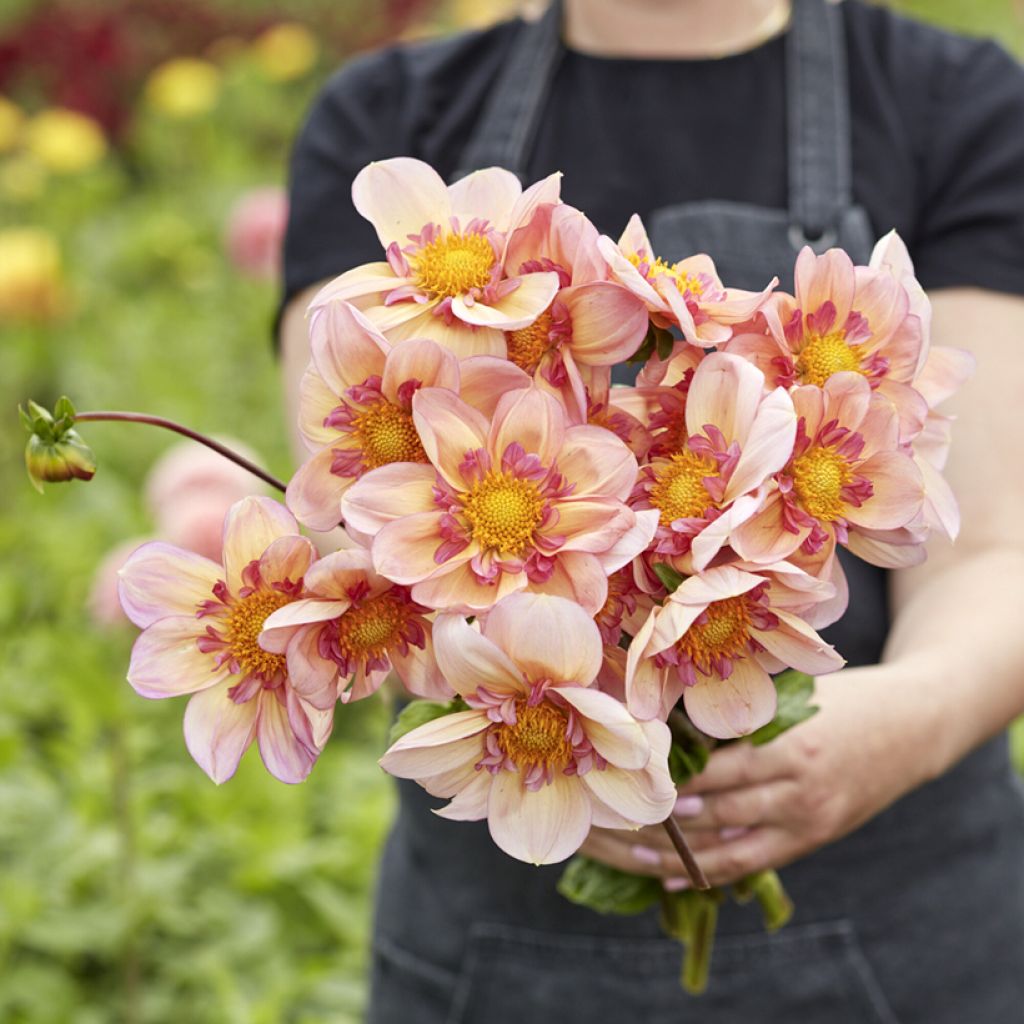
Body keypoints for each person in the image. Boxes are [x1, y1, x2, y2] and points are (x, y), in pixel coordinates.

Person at [276, 1, 1024, 1019]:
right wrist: (552, 696)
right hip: (497, 959)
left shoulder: (957, 103)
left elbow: (991, 542)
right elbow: (356, 504)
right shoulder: (385, 116)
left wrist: (916, 717)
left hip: (908, 942)